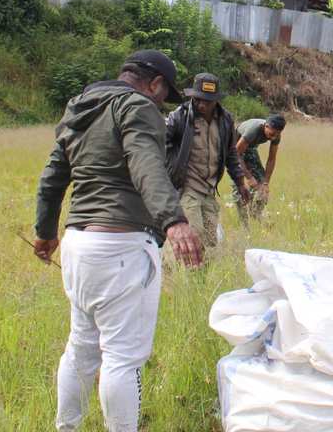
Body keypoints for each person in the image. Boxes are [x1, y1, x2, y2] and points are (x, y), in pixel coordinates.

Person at [33, 50, 204, 432]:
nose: (161, 102)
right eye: (163, 94)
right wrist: (174, 220)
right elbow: (146, 164)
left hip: (78, 242)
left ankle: (67, 426)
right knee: (123, 358)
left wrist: (45, 233)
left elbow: (52, 178)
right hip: (122, 246)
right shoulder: (138, 107)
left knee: (81, 347)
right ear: (155, 84)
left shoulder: (79, 108)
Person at [164, 73, 246, 250]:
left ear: (216, 100)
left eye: (207, 101)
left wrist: (240, 183)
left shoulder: (225, 120)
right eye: (198, 99)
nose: (201, 104)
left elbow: (231, 153)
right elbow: (161, 144)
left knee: (210, 241)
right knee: (193, 237)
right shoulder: (180, 117)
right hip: (187, 188)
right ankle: (181, 273)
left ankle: (202, 275)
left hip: (209, 189)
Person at [231, 114, 286, 223]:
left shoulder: (276, 135)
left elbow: (271, 159)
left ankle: (255, 213)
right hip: (233, 149)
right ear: (266, 126)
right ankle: (244, 225)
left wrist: (265, 183)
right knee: (239, 187)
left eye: (276, 135)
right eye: (271, 134)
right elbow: (236, 154)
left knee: (262, 185)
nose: (273, 138)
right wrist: (249, 177)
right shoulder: (253, 130)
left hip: (250, 148)